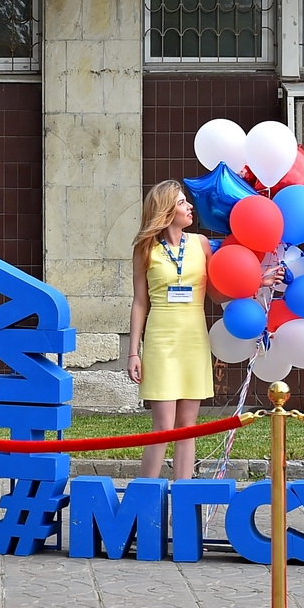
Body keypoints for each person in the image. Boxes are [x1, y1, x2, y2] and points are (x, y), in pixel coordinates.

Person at [127, 180, 215, 481]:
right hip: (161, 338)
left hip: (194, 337)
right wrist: (133, 352)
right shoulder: (145, 249)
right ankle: (145, 498)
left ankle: (183, 497)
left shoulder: (201, 244)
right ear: (165, 211)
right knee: (163, 426)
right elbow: (140, 302)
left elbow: (218, 292)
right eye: (181, 202)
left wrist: (256, 282)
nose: (189, 207)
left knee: (188, 427)